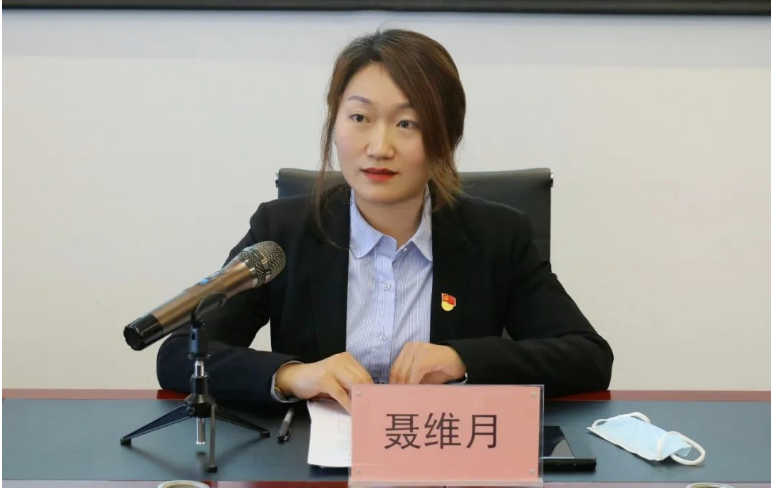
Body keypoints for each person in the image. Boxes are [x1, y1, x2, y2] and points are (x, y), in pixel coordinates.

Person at [157, 29, 613, 411]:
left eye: (407, 124)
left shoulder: (497, 236)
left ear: (446, 137)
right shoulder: (283, 233)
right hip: (313, 464)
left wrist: (462, 360)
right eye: (360, 117)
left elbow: (587, 356)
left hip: (445, 458)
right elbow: (179, 354)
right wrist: (293, 375)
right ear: (335, 124)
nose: (379, 147)